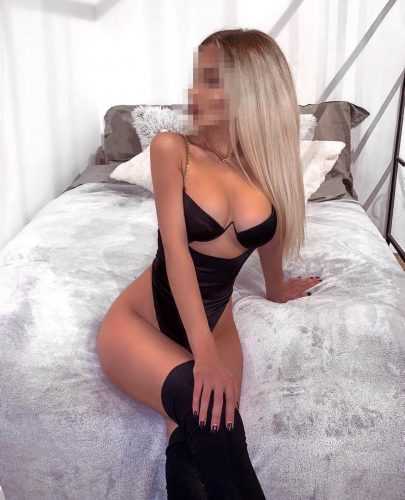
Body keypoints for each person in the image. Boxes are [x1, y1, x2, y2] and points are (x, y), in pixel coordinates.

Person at [96, 28, 322, 499]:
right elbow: (176, 253)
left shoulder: (265, 169)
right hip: (142, 323)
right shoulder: (172, 149)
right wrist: (203, 356)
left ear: (250, 89)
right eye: (198, 77)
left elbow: (272, 236)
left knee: (200, 438)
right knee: (211, 421)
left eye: (212, 80)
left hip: (218, 323)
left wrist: (276, 287)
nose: (194, 92)